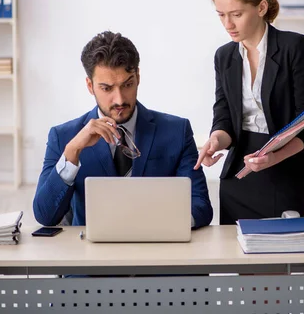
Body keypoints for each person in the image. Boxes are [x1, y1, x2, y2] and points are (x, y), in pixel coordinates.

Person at [33, 31, 213, 229]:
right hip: (89, 256)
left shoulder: (177, 131)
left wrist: (161, 226)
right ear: (90, 86)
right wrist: (73, 152)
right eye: (107, 88)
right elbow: (45, 216)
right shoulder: (64, 137)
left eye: (127, 85)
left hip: (156, 248)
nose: (119, 99)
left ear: (137, 76)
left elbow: (201, 206)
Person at [195, 0, 304, 225]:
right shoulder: (224, 57)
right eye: (221, 15)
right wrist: (216, 140)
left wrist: (273, 157)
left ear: (261, 8)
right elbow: (224, 116)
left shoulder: (294, 47)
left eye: (236, 14)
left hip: (284, 168)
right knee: (240, 258)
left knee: (278, 260)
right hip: (239, 173)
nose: (228, 24)